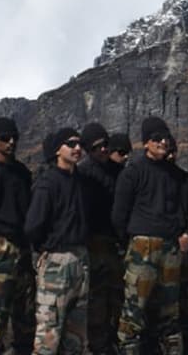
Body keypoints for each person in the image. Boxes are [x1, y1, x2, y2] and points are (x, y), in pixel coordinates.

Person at [113, 117, 188, 355]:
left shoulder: (177, 175)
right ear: (145, 143)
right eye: (156, 138)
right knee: (133, 315)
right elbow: (119, 214)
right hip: (141, 247)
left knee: (170, 315)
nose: (163, 142)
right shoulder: (133, 172)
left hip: (171, 250)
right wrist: (129, 243)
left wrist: (186, 233)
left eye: (165, 138)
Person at [26, 127, 90, 355]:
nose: (77, 148)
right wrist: (46, 250)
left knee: (75, 337)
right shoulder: (47, 183)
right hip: (56, 262)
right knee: (48, 336)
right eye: (71, 144)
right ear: (57, 150)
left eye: (79, 144)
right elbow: (33, 226)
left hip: (81, 260)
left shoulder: (81, 181)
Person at [0, 117, 36, 355]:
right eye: (5, 138)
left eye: (14, 137)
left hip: (23, 249)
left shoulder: (23, 173)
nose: (11, 142)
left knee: (25, 315)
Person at [76, 122, 125, 355]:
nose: (103, 150)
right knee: (96, 307)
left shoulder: (119, 172)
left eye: (105, 145)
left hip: (116, 245)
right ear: (87, 150)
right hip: (92, 246)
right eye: (96, 147)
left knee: (118, 302)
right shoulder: (82, 174)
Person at [166, 134, 188, 355]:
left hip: (184, 248)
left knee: (185, 298)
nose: (170, 155)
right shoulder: (150, 177)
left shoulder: (185, 180)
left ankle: (187, 347)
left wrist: (187, 233)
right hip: (161, 247)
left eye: (172, 151)